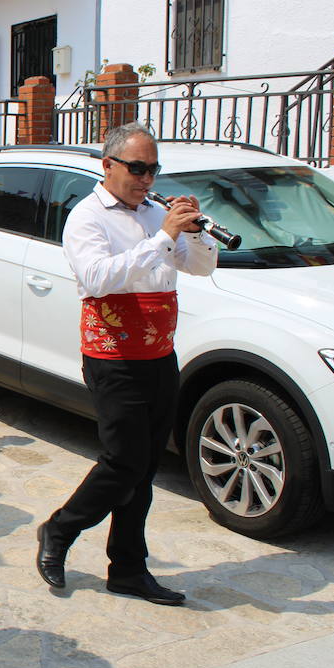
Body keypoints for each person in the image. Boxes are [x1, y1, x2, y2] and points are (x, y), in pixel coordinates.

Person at [35, 122, 217, 606]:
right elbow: (97, 278)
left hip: (159, 352)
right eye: (137, 168)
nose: (147, 179)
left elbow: (200, 267)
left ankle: (129, 570)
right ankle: (59, 529)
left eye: (153, 169)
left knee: (146, 468)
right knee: (124, 462)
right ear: (109, 165)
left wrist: (194, 233)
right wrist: (163, 238)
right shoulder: (87, 217)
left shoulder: (157, 213)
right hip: (112, 355)